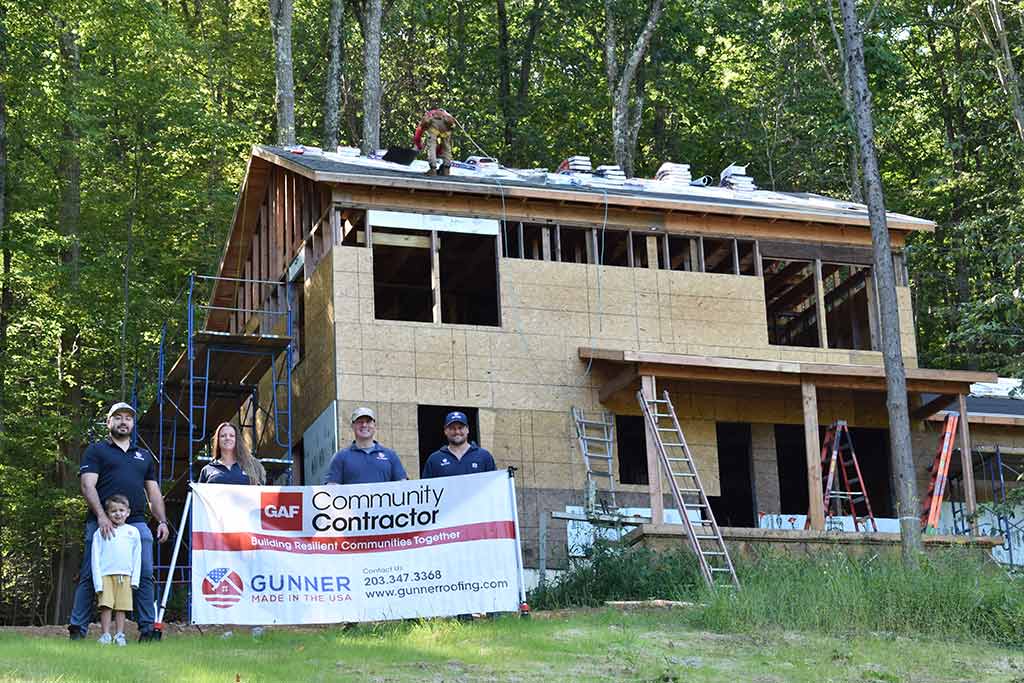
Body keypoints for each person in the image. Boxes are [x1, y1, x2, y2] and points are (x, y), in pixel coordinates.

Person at [69, 402, 169, 642]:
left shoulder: (143, 455)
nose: (124, 422)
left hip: (136, 524)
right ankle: (77, 628)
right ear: (109, 422)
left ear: (133, 424)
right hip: (101, 524)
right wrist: (102, 517)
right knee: (89, 574)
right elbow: (87, 485)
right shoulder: (96, 451)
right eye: (118, 417)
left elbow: (153, 493)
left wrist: (162, 521)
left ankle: (147, 629)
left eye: (128, 418)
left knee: (144, 573)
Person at [91, 494, 141, 646]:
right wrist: (98, 582)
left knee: (121, 607)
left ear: (128, 512)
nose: (118, 514)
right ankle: (105, 635)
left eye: (121, 510)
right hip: (105, 575)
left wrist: (135, 579)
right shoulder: (100, 532)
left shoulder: (133, 532)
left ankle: (120, 635)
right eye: (113, 511)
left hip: (125, 575)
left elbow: (137, 556)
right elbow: (95, 557)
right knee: (106, 606)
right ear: (107, 513)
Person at [324, 407, 407, 484]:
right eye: (360, 422)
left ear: (374, 425)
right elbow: (332, 488)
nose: (364, 425)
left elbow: (403, 486)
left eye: (368, 421)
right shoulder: (341, 456)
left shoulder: (390, 455)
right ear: (352, 426)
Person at [421, 412, 496, 479]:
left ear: (467, 430)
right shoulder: (434, 459)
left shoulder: (484, 456)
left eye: (460, 428)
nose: (457, 432)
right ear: (445, 431)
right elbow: (427, 489)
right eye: (452, 428)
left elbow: (494, 485)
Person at [197, 422, 266, 486]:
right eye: (223, 436)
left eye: (232, 436)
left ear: (237, 439)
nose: (227, 438)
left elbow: (261, 493)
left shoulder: (252, 466)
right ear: (218, 440)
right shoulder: (207, 469)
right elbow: (199, 497)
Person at [413, 108, 456, 176]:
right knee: (447, 147)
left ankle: (433, 169)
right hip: (447, 127)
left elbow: (417, 136)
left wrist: (419, 146)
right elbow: (444, 148)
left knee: (432, 146)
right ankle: (446, 170)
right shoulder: (447, 115)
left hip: (435, 127)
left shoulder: (427, 118)